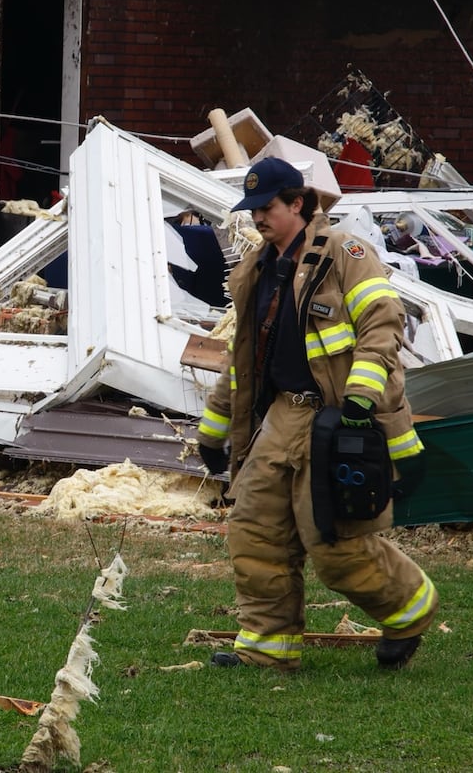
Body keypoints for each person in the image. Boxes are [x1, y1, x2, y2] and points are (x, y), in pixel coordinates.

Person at [196, 156, 436, 672]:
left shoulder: (346, 255)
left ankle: (410, 610)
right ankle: (268, 646)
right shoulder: (257, 270)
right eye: (253, 209)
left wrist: (360, 397)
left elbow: (383, 326)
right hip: (282, 415)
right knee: (254, 530)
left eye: (267, 207)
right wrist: (213, 430)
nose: (258, 218)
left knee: (334, 544)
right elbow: (242, 361)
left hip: (333, 420)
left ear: (298, 203)